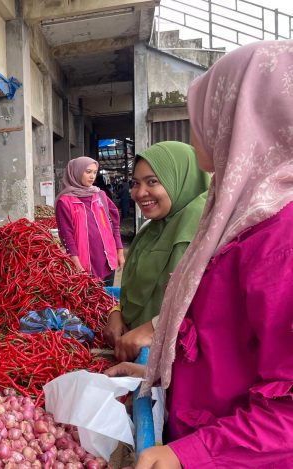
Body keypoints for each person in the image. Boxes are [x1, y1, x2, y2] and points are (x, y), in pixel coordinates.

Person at [106, 41, 293, 468]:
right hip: (197, 430)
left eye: (205, 114)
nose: (195, 131)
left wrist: (189, 455)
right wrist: (161, 380)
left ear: (242, 116)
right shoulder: (233, 217)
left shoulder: (282, 239)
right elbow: (217, 347)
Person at [104, 142, 209, 361]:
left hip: (184, 363)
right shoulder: (150, 231)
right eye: (135, 183)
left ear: (181, 180)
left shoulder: (206, 233)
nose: (139, 193)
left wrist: (153, 329)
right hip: (141, 360)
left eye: (152, 182)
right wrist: (117, 313)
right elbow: (134, 292)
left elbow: (211, 308)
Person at [55, 156, 125, 285]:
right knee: (90, 302)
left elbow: (114, 225)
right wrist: (76, 264)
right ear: (76, 172)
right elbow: (67, 236)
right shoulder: (64, 202)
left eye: (94, 172)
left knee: (107, 300)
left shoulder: (100, 195)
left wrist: (119, 252)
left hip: (107, 261)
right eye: (88, 172)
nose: (92, 176)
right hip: (84, 264)